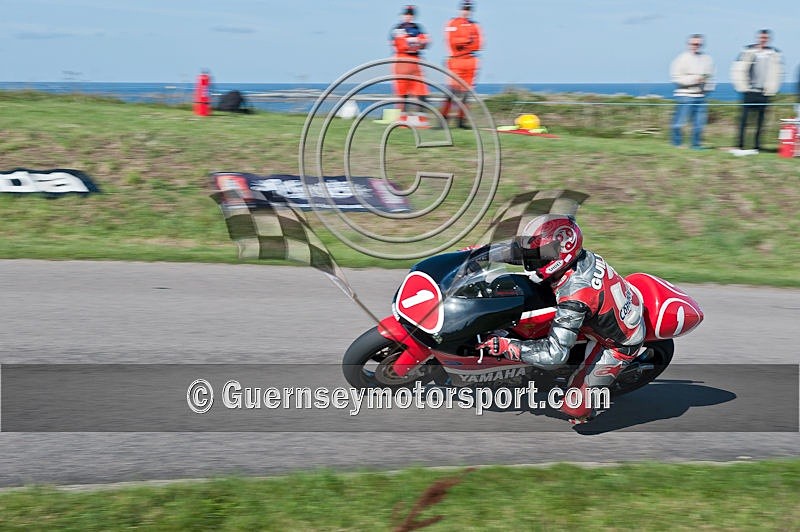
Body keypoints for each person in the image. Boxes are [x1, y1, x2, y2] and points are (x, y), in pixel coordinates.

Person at [478, 215, 645, 425]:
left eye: (540, 255)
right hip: (606, 307)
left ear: (559, 256)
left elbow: (554, 356)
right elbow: (525, 251)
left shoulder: (575, 296)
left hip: (618, 342)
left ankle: (588, 407)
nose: (532, 259)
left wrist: (506, 345)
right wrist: (480, 253)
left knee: (574, 410)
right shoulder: (576, 257)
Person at [731, 29, 784, 152]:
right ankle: (740, 145)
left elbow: (779, 73)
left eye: (765, 38)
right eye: (761, 38)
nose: (763, 40)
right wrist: (741, 86)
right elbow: (737, 69)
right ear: (757, 38)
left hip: (764, 92)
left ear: (768, 39)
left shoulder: (774, 54)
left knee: (760, 122)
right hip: (749, 91)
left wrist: (773, 88)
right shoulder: (747, 51)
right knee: (744, 120)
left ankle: (757, 146)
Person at [440, 0, 482, 129]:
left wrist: (465, 42)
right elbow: (452, 42)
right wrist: (467, 40)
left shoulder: (475, 26)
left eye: (468, 9)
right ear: (460, 10)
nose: (466, 12)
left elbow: (479, 45)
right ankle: (443, 120)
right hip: (456, 61)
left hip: (470, 62)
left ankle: (461, 121)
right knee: (452, 92)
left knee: (466, 94)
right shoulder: (452, 23)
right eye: (464, 9)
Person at [669, 34, 715, 149]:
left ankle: (696, 145)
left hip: (701, 96)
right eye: (694, 44)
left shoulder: (707, 59)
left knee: (699, 124)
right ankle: (677, 145)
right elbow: (676, 77)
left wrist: (708, 89)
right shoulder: (681, 59)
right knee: (679, 123)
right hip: (685, 95)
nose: (696, 46)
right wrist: (694, 79)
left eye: (699, 44)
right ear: (688, 44)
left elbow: (711, 76)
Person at [390, 5, 429, 112]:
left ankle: (421, 120)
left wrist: (412, 42)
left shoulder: (418, 28)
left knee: (422, 92)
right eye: (407, 14)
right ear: (403, 15)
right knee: (403, 93)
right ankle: (403, 120)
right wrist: (416, 42)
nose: (409, 16)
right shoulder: (398, 28)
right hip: (402, 62)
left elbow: (426, 43)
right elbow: (402, 45)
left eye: (411, 14)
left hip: (416, 63)